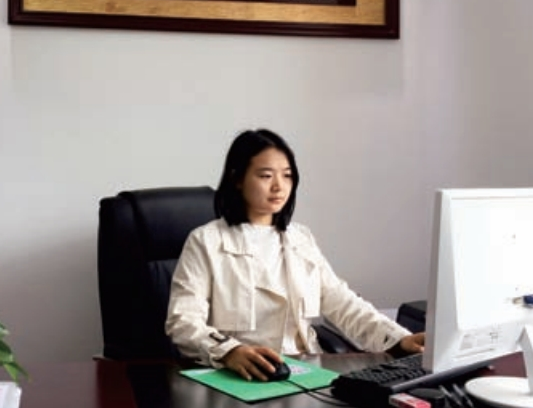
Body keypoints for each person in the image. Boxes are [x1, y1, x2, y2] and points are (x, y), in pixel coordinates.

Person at [165, 128, 425, 381]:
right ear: (237, 179)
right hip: (239, 376)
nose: (279, 186)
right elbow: (183, 321)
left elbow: (343, 303)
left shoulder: (301, 238)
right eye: (266, 176)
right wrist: (229, 352)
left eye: (287, 176)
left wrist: (399, 339)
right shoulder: (206, 241)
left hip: (306, 372)